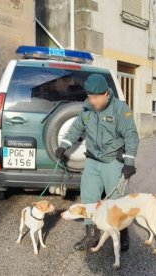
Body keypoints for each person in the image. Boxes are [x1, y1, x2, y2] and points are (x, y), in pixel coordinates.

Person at [55, 74, 139, 251]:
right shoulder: (87, 109)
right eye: (89, 96)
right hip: (93, 160)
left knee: (117, 200)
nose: (91, 101)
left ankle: (123, 233)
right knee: (89, 198)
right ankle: (91, 235)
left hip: (112, 161)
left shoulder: (120, 109)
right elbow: (76, 128)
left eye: (95, 97)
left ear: (106, 94)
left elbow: (131, 135)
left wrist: (129, 162)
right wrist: (64, 146)